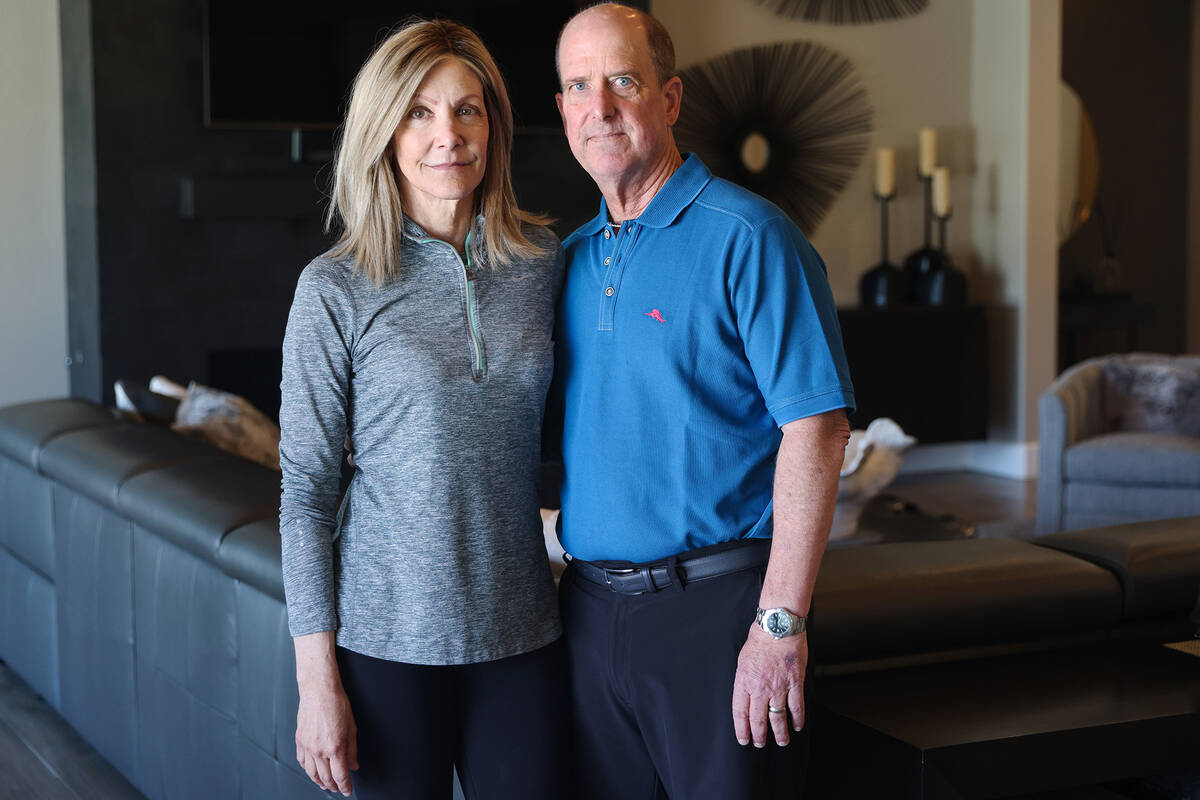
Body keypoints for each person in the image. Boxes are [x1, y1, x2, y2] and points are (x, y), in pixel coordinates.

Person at [549, 4, 855, 798]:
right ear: (562, 112)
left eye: (623, 80)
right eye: (579, 86)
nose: (601, 107)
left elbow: (818, 433)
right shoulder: (570, 261)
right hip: (586, 618)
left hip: (717, 616)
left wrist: (780, 626)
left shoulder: (750, 237)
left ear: (671, 98)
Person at [278, 19, 567, 800]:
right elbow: (305, 494)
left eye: (468, 110)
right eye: (419, 112)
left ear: (493, 126)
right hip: (385, 648)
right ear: (384, 129)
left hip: (524, 634)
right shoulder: (334, 289)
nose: (449, 134)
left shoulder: (543, 265)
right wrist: (317, 681)